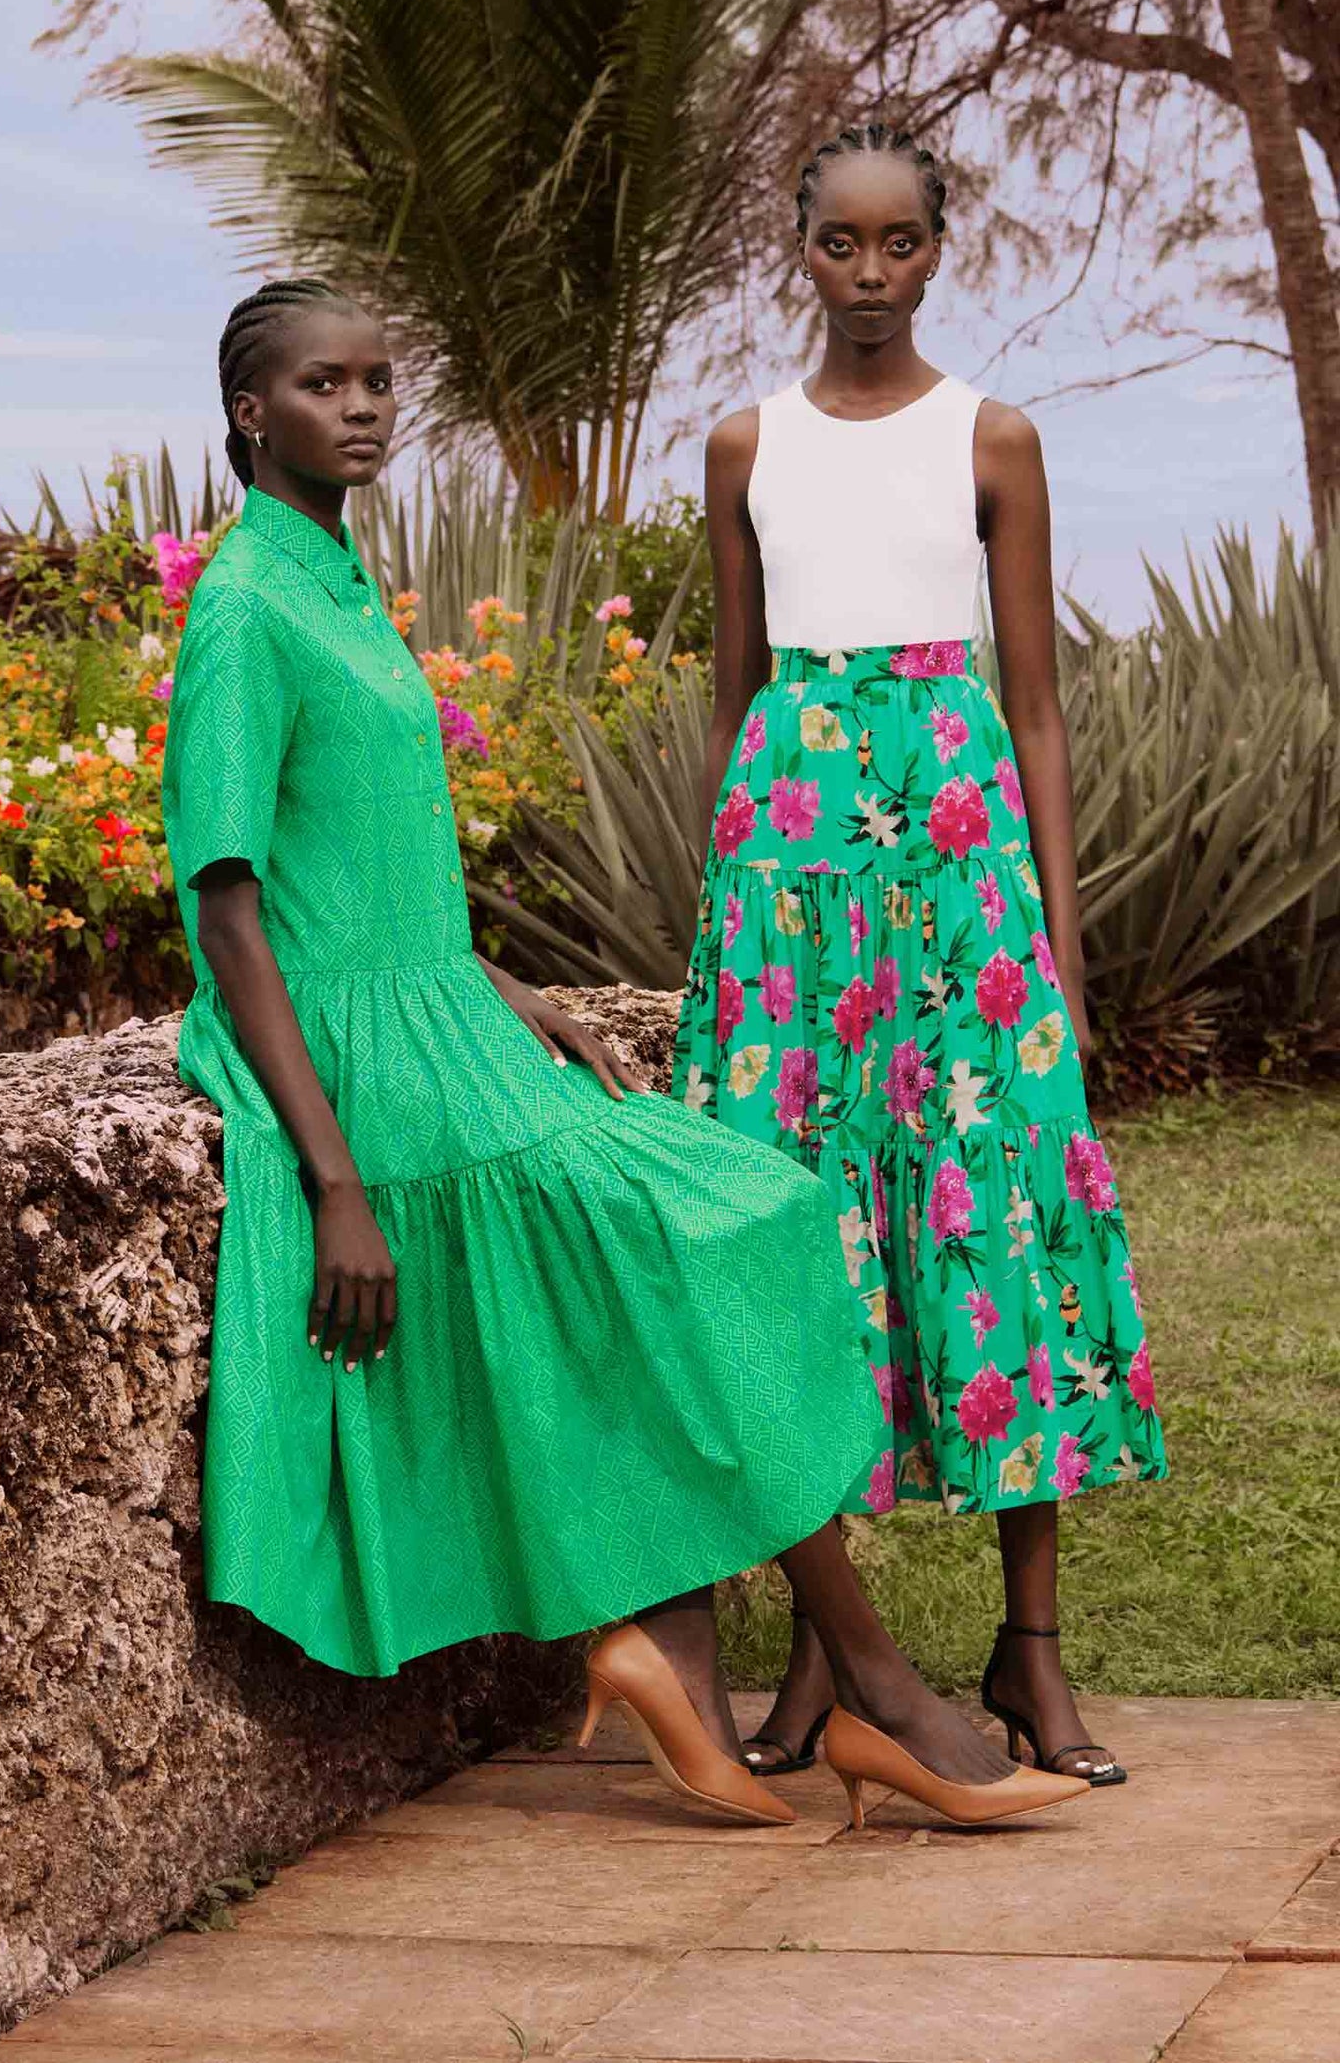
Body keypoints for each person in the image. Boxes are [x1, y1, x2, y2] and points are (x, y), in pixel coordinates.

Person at [160, 276, 1088, 1834]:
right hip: (353, 1058)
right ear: (253, 411)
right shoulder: (243, 600)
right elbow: (231, 899)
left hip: (443, 1008)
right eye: (330, 384)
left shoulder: (335, 572)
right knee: (679, 1238)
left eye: (384, 378)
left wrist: (491, 977)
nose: (370, 405)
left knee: (741, 1215)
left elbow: (364, 850)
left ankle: (676, 1644)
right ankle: (873, 1682)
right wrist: (331, 1177)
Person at [674, 125, 1167, 1789]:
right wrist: (730, 926)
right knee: (804, 1233)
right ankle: (828, 1648)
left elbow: (1034, 704)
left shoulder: (994, 438)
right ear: (796, 247)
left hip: (960, 872)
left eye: (899, 246)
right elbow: (738, 699)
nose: (870, 276)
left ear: (939, 252)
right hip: (791, 882)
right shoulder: (744, 445)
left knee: (1003, 1214)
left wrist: (1065, 953)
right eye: (840, 246)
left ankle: (1031, 1648)